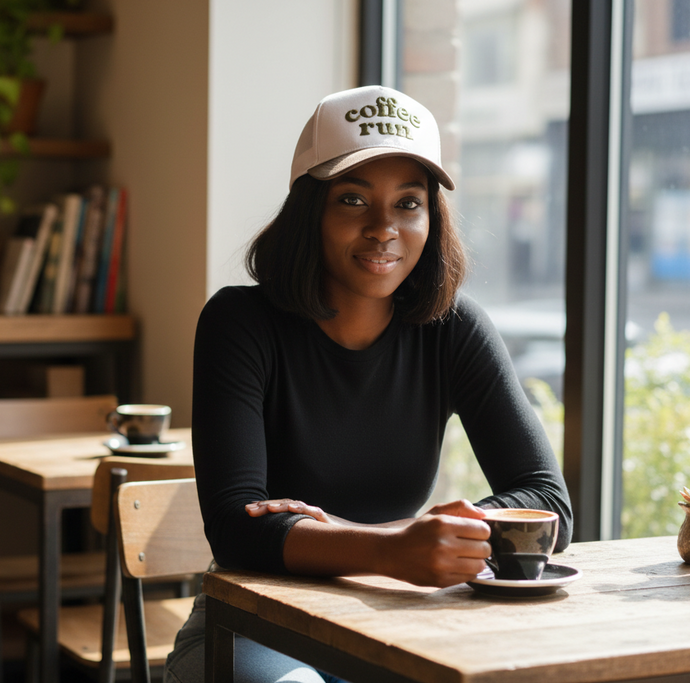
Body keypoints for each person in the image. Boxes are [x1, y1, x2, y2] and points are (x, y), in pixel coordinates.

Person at [164, 85, 572, 683]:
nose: (385, 228)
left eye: (409, 203)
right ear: (310, 212)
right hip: (256, 625)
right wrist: (393, 547)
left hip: (396, 618)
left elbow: (547, 503)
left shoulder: (454, 328)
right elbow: (235, 529)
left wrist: (388, 541)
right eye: (353, 199)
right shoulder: (239, 323)